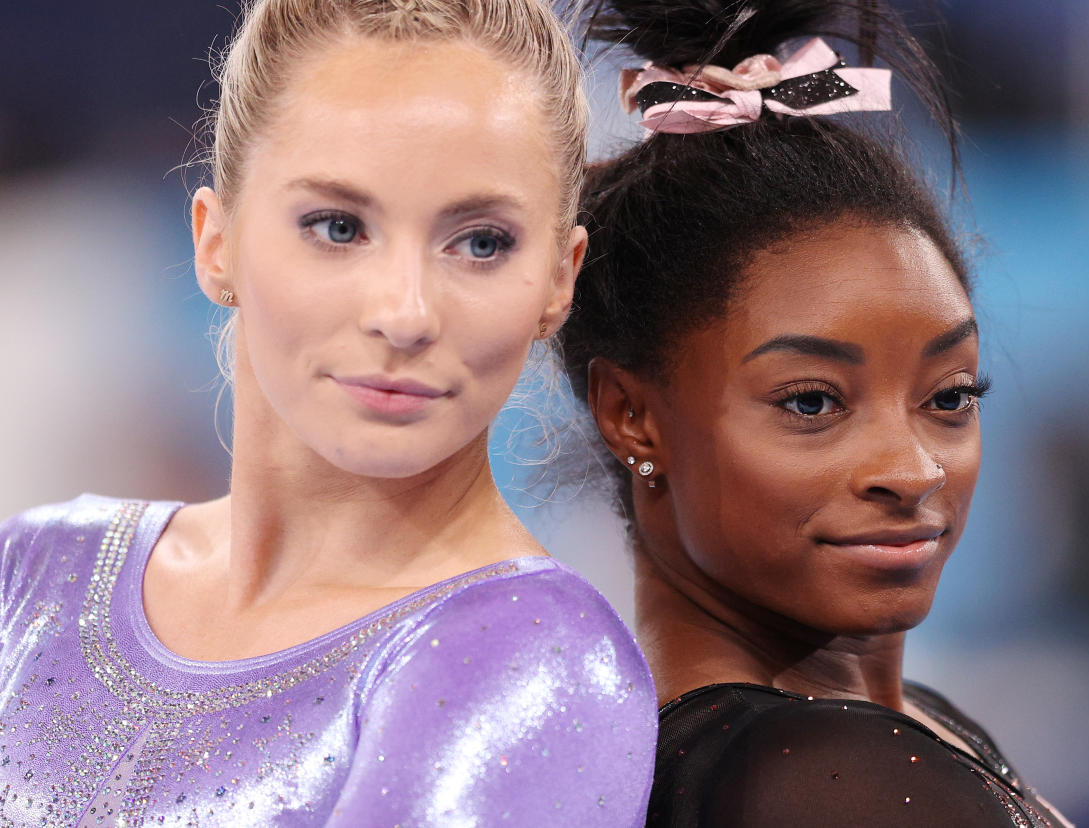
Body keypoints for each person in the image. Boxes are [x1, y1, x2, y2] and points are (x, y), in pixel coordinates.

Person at [0, 1, 657, 824]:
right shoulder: (35, 572)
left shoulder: (532, 659)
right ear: (216, 240)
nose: (406, 313)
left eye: (482, 242)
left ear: (561, 279)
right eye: (339, 227)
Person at [559, 0, 1074, 825]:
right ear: (632, 416)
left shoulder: (898, 735)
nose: (913, 470)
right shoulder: (829, 782)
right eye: (811, 402)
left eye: (950, 398)